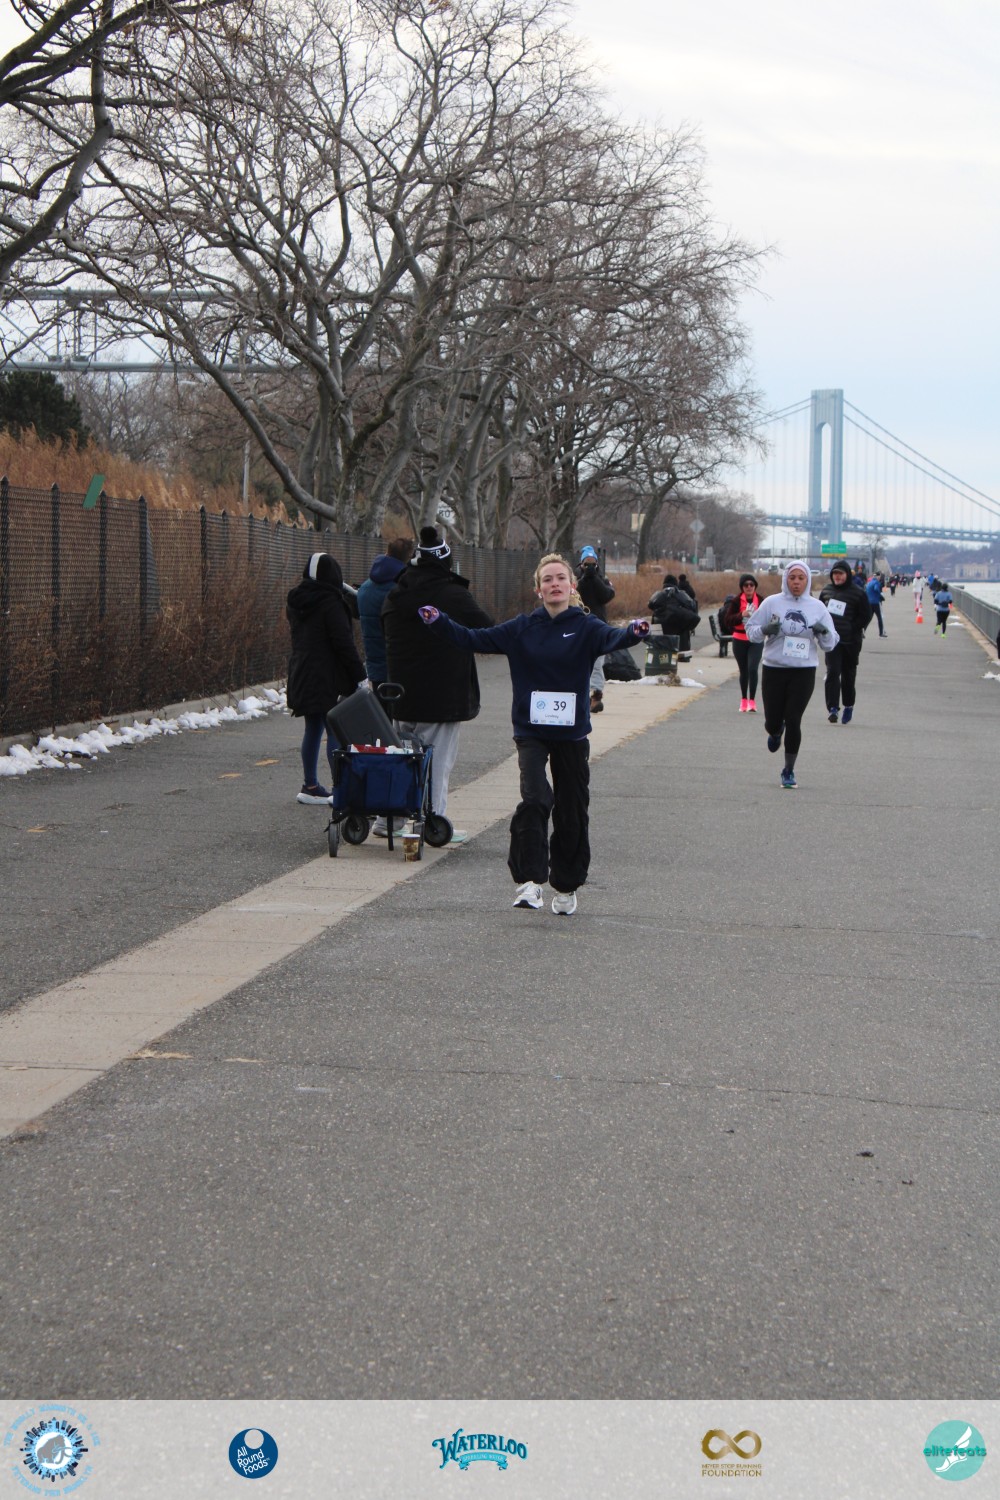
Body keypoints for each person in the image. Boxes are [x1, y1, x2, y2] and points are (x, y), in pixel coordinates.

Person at [416, 552, 650, 914]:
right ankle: (529, 882)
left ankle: (566, 886)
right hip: (531, 732)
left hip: (571, 734)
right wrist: (439, 622)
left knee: (572, 807)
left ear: (572, 586)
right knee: (535, 798)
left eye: (560, 578)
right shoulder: (522, 628)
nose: (554, 585)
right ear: (538, 590)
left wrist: (635, 632)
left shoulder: (586, 627)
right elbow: (473, 638)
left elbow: (614, 637)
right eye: (547, 580)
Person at [381, 525, 494, 842]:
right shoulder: (453, 595)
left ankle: (389, 818)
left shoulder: (397, 593)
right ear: (445, 561)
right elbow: (487, 629)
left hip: (400, 693)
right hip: (442, 696)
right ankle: (432, 821)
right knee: (437, 763)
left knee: (402, 758)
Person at [746, 560, 837, 789]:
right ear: (785, 579)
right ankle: (776, 731)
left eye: (801, 578)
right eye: (792, 578)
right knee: (772, 721)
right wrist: (765, 630)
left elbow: (830, 643)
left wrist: (824, 632)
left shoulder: (817, 607)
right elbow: (751, 631)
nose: (796, 582)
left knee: (794, 719)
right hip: (774, 669)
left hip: (803, 671)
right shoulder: (771, 603)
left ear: (807, 581)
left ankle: (788, 770)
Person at [286, 552, 367, 804]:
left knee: (313, 727)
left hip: (302, 671)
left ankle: (310, 785)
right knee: (334, 728)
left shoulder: (296, 601)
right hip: (327, 675)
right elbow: (343, 643)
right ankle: (340, 789)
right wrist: (359, 674)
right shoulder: (332, 603)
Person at [819, 560, 873, 724]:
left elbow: (866, 615)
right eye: (835, 574)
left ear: (847, 575)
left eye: (840, 574)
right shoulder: (826, 591)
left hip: (850, 642)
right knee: (833, 672)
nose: (837, 577)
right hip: (832, 642)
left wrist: (852, 627)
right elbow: (819, 612)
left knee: (848, 676)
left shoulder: (858, 593)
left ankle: (848, 705)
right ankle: (833, 708)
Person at [356, 537, 415, 687]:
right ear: (408, 558)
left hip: (374, 667)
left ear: (387, 552)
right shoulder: (402, 591)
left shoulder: (364, 588)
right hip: (400, 668)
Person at [575, 545, 616, 714]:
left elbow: (607, 596)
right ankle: (581, 697)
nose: (590, 567)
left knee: (598, 663)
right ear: (581, 564)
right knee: (579, 663)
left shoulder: (603, 579)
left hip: (599, 627)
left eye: (593, 563)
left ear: (598, 564)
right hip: (579, 627)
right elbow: (575, 596)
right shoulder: (575, 579)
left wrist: (595, 578)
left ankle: (596, 696)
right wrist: (585, 577)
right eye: (587, 563)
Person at [721, 573, 763, 712]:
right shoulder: (736, 601)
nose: (749, 587)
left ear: (755, 586)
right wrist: (741, 615)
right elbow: (727, 620)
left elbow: (769, 617)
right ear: (742, 587)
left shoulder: (761, 600)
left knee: (753, 669)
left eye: (752, 584)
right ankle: (744, 699)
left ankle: (752, 701)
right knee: (744, 671)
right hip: (739, 639)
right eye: (746, 585)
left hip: (756, 639)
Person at [648, 573, 699, 659]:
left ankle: (662, 654)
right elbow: (692, 605)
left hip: (662, 628)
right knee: (684, 624)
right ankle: (682, 654)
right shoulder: (681, 594)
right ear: (676, 584)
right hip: (678, 629)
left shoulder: (659, 595)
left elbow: (650, 605)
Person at [865, 572, 887, 637]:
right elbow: (876, 589)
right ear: (878, 577)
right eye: (879, 576)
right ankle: (881, 633)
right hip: (876, 602)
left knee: (869, 618)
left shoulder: (869, 583)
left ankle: (863, 631)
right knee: (879, 618)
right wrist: (880, 596)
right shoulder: (876, 583)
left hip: (869, 602)